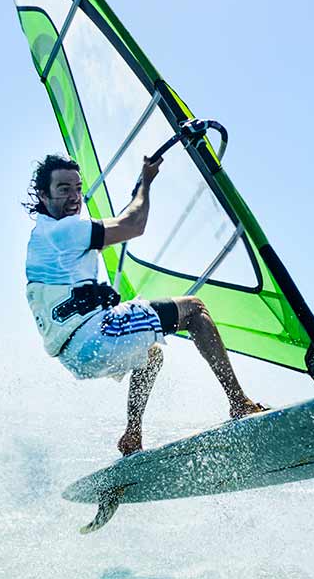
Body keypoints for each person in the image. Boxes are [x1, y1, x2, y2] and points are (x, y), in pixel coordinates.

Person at [24, 153, 266, 455]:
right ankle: (239, 402)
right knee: (194, 310)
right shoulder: (67, 231)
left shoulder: (42, 237)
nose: (74, 197)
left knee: (150, 354)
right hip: (95, 340)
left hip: (74, 357)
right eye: (63, 189)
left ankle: (132, 435)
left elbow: (111, 236)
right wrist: (147, 183)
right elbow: (133, 225)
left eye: (77, 188)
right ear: (44, 195)